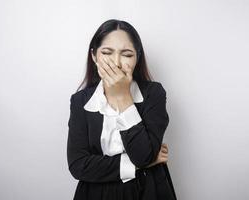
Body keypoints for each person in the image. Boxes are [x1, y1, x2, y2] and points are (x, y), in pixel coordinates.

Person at [67, 19, 177, 200]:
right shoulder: (80, 101)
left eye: (126, 54)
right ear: (94, 56)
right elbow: (79, 165)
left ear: (137, 58)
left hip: (148, 191)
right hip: (95, 194)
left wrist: (122, 97)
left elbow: (142, 155)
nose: (116, 63)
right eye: (107, 52)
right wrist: (140, 163)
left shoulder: (153, 93)